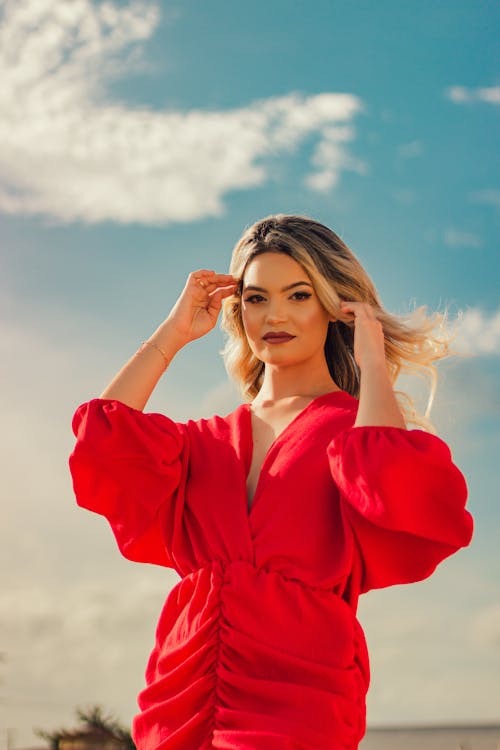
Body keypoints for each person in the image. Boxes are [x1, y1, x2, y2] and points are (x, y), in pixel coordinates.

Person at [69, 214, 474, 750]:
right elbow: (103, 444)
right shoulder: (201, 442)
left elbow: (392, 483)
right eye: (256, 298)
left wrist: (372, 361)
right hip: (179, 699)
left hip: (301, 702)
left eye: (299, 295)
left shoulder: (355, 433)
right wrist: (172, 335)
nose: (275, 315)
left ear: (334, 306)